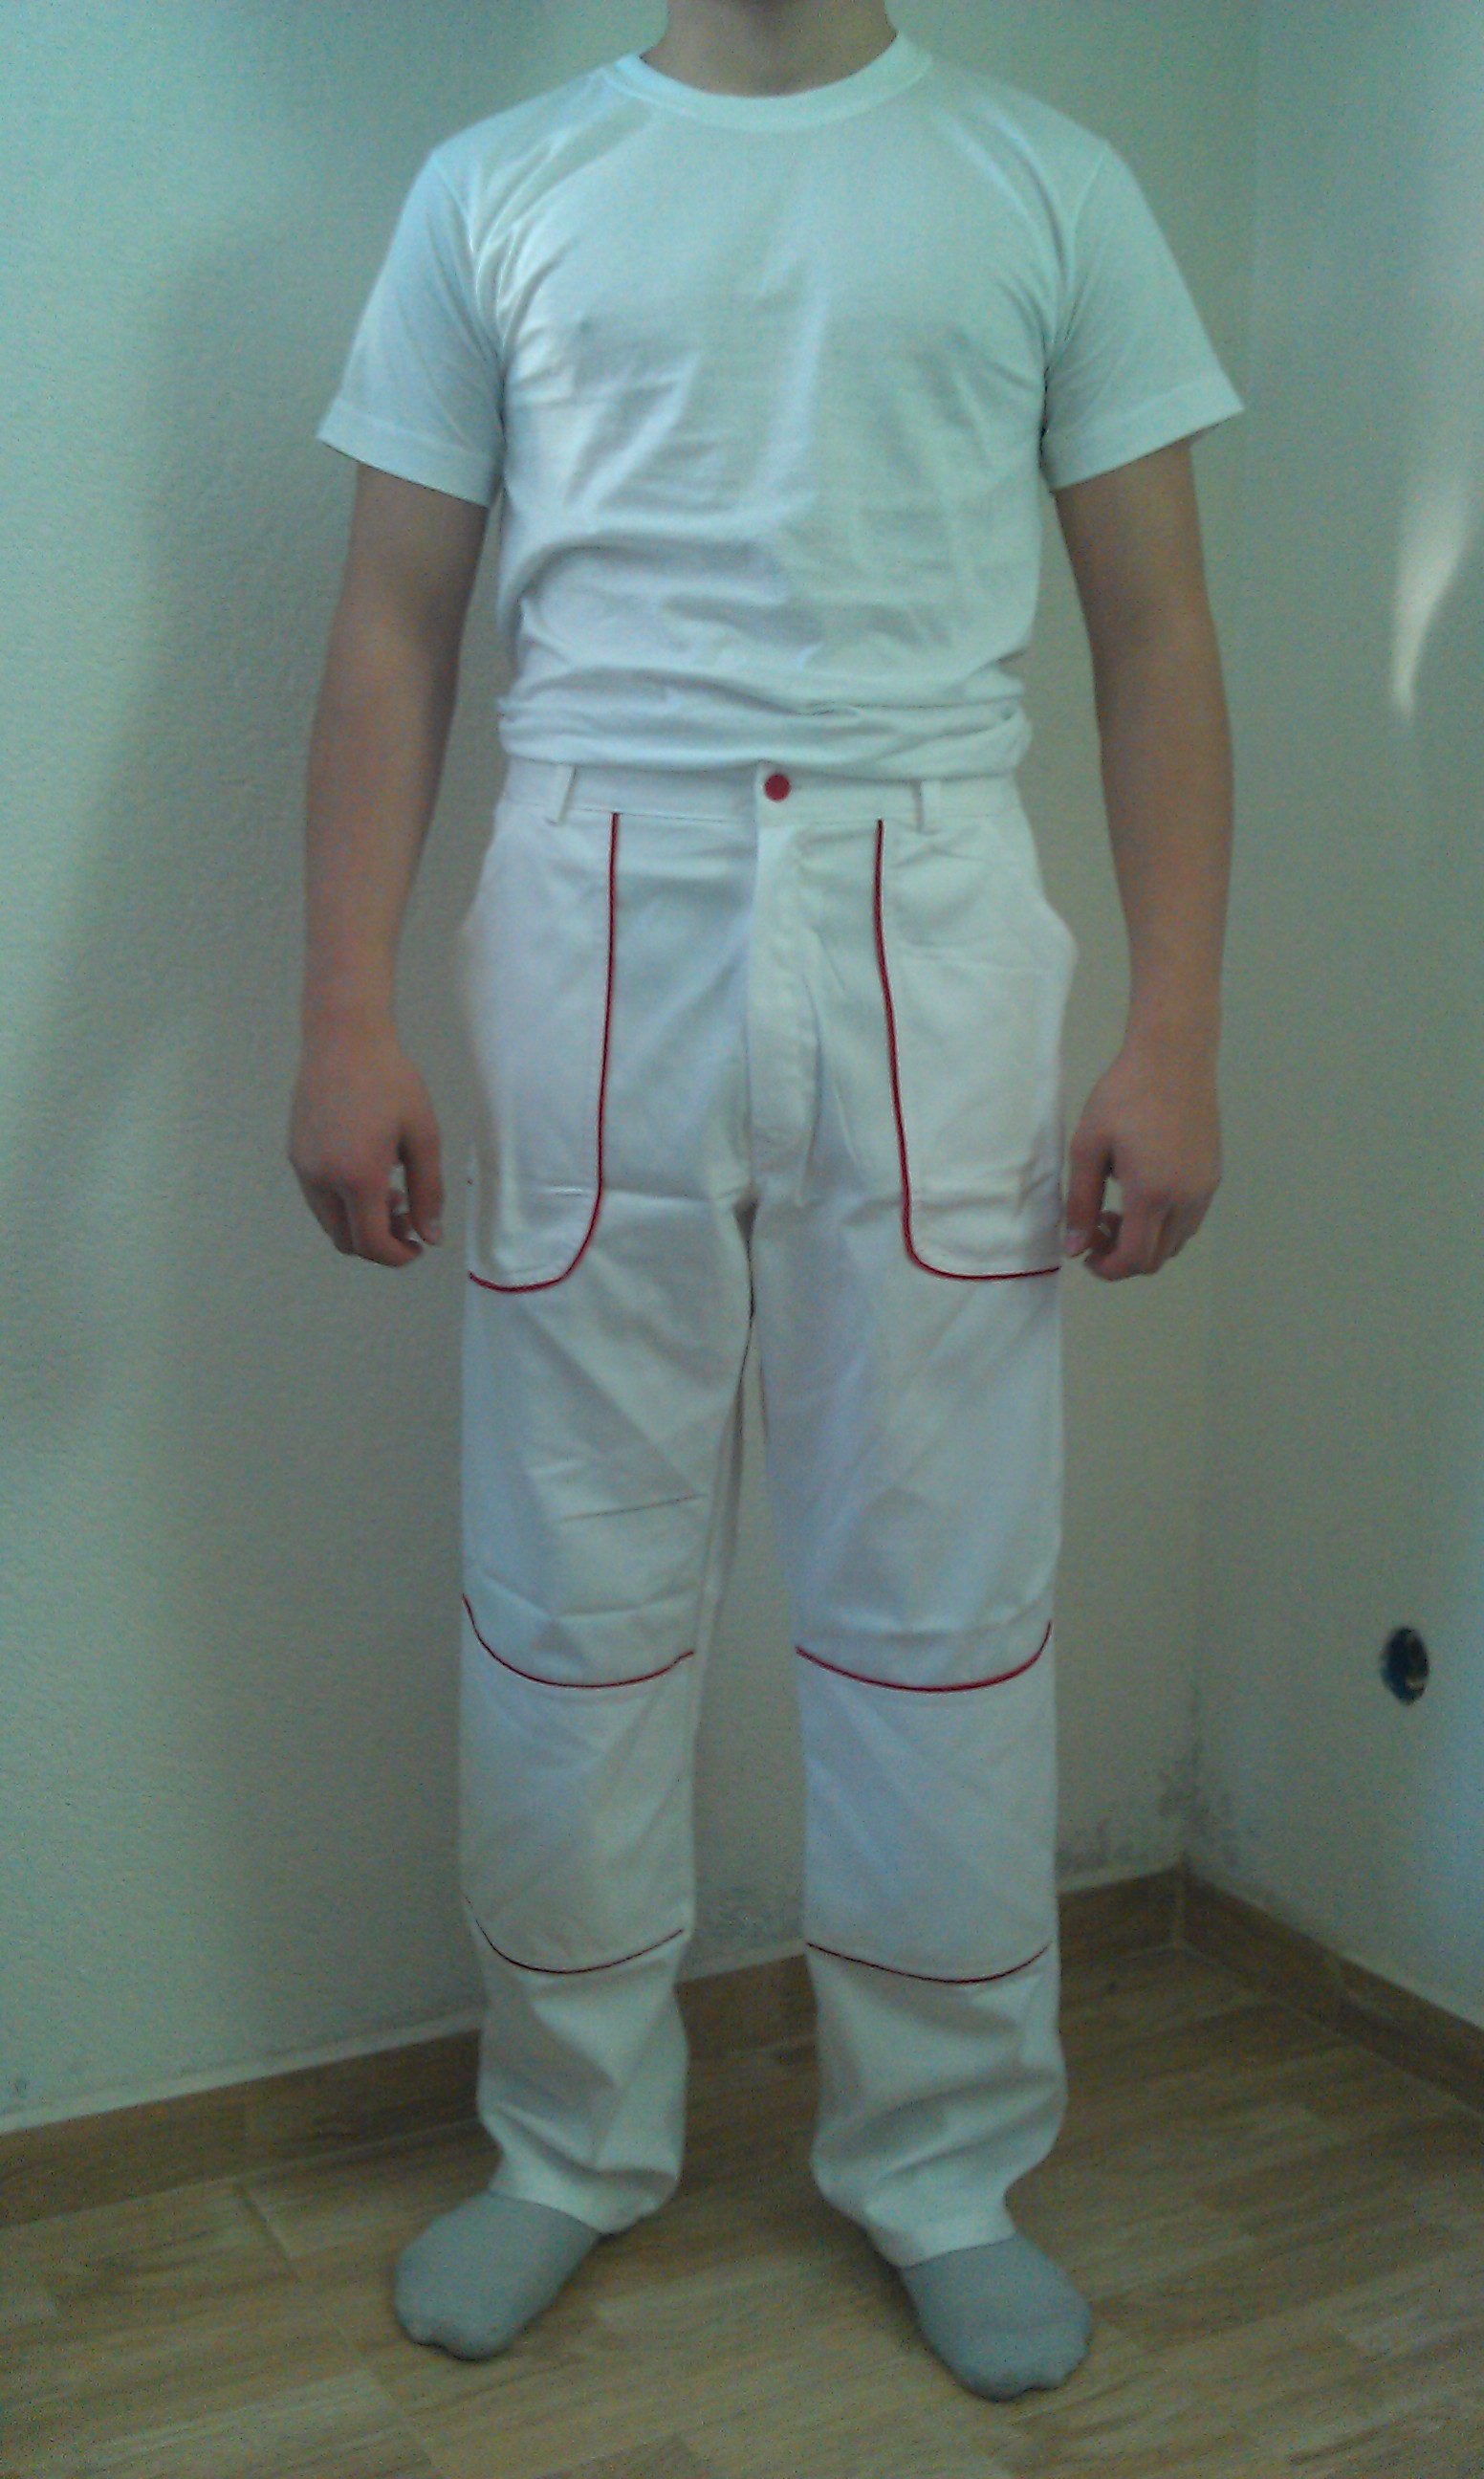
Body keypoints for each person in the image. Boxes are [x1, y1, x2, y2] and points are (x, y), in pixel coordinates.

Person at [288, 0, 1241, 2403]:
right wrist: (341, 1009)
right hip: (589, 894)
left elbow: (1154, 630)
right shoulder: (498, 189)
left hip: (932, 903)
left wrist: (1171, 1029)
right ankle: (563, 2139)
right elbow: (394, 617)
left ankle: (944, 2167)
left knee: (938, 1595)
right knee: (566, 1585)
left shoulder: (1042, 183)